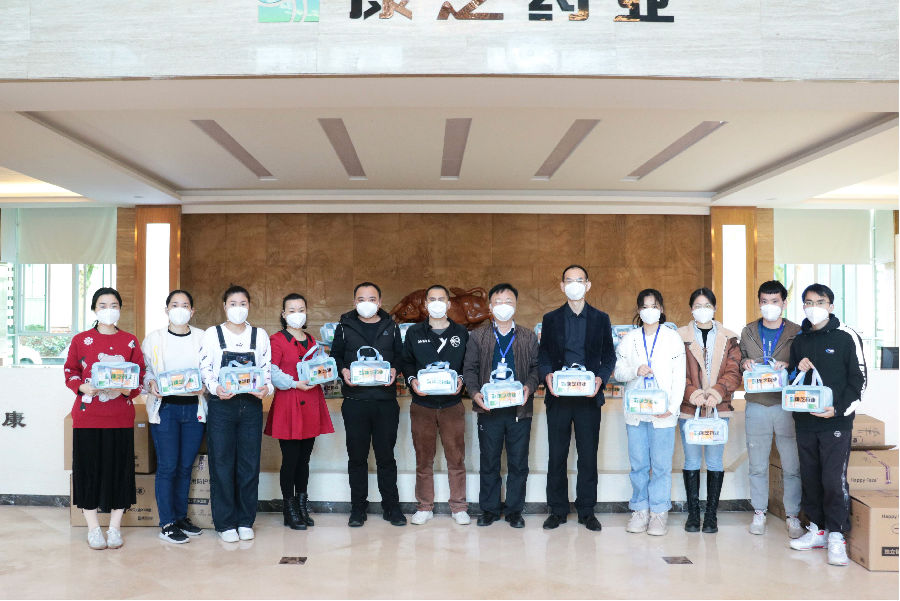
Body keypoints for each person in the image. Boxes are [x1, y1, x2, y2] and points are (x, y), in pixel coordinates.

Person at [787, 284, 865, 567]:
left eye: (820, 302)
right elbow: (791, 379)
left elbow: (860, 381)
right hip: (805, 421)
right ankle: (817, 530)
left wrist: (838, 409)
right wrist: (798, 369)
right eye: (808, 302)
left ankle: (837, 535)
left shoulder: (846, 336)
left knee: (833, 479)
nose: (814, 307)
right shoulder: (800, 340)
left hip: (836, 421)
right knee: (810, 477)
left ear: (831, 306)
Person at [64, 287, 145, 550]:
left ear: (120, 309)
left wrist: (128, 389)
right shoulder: (81, 340)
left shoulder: (130, 341)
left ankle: (114, 528)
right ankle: (93, 528)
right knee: (88, 471)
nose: (108, 310)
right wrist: (82, 386)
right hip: (88, 417)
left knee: (119, 471)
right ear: (94, 309)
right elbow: (70, 371)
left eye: (113, 305)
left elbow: (140, 376)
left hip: (120, 417)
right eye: (102, 305)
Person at [538, 265, 616, 532]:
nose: (574, 285)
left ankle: (587, 510)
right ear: (562, 286)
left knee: (588, 456)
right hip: (559, 397)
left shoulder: (601, 318)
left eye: (579, 280)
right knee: (556, 455)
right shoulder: (550, 319)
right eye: (569, 281)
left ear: (587, 285)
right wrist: (547, 376)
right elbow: (543, 355)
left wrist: (600, 379)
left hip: (588, 397)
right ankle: (557, 510)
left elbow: (609, 357)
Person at [199, 285, 273, 543]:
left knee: (249, 464)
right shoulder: (212, 334)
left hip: (251, 406)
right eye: (233, 303)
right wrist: (215, 388)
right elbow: (205, 369)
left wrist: (266, 388)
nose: (238, 308)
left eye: (243, 303)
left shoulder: (259, 335)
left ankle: (245, 520)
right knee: (221, 463)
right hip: (222, 406)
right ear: (224, 306)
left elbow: (267, 370)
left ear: (249, 306)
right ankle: (225, 523)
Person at [330, 282, 406, 528]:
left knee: (386, 458)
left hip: (385, 402)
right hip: (355, 401)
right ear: (354, 302)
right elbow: (335, 356)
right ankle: (357, 509)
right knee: (357, 458)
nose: (366, 303)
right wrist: (342, 370)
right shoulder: (344, 327)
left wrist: (395, 369)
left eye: (372, 299)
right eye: (361, 299)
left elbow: (400, 356)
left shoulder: (391, 326)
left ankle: (392, 507)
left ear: (380, 302)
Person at [462, 283, 539, 529]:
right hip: (489, 409)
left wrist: (529, 387)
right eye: (498, 302)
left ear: (515, 305)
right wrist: (475, 394)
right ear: (490, 306)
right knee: (489, 461)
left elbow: (536, 368)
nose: (503, 307)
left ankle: (515, 511)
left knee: (518, 463)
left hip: (519, 410)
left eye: (508, 302)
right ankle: (490, 510)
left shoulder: (528, 336)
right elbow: (469, 369)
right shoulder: (478, 336)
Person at [614, 289, 686, 536]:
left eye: (654, 306)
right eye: (644, 306)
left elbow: (679, 377)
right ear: (638, 310)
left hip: (663, 415)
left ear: (661, 309)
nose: (649, 310)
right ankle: (640, 510)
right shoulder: (630, 339)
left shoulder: (672, 338)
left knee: (662, 466)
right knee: (639, 465)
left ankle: (658, 513)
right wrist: (636, 370)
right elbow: (618, 373)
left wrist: (671, 408)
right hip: (636, 413)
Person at [400, 284, 470, 526]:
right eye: (432, 299)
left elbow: (468, 364)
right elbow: (407, 362)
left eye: (441, 299)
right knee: (423, 459)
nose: (437, 303)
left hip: (452, 405)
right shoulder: (414, 332)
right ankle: (424, 506)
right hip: (423, 404)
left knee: (456, 458)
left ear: (449, 304)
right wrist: (412, 381)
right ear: (425, 304)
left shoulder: (461, 332)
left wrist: (462, 380)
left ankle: (459, 507)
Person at [738, 280, 804, 539]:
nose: (769, 306)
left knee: (791, 465)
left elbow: (804, 366)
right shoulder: (749, 331)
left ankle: (792, 515)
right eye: (764, 301)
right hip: (757, 404)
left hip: (786, 405)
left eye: (774, 301)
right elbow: (740, 358)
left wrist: (789, 365)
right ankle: (759, 512)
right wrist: (745, 362)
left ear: (784, 303)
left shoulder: (797, 332)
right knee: (757, 464)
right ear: (759, 303)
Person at [141, 289, 207, 544]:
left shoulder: (202, 338)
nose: (180, 309)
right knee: (168, 466)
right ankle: (167, 523)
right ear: (166, 310)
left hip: (193, 409)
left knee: (185, 466)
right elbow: (145, 370)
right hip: (165, 409)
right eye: (175, 305)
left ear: (192, 311)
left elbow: (209, 370)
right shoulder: (154, 339)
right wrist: (150, 384)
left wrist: (206, 386)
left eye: (185, 305)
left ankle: (180, 518)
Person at [266, 293, 335, 530]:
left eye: (301, 310)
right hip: (289, 402)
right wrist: (294, 383)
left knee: (304, 459)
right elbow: (272, 371)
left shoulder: (312, 340)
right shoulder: (276, 340)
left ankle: (302, 505)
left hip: (312, 402)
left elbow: (320, 367)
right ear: (283, 314)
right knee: (290, 459)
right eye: (292, 310)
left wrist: (324, 372)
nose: (297, 314)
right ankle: (290, 509)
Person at [677, 287, 741, 534]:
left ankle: (711, 515)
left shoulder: (730, 338)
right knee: (692, 460)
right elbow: (675, 372)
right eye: (697, 306)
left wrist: (716, 392)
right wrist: (693, 393)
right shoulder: (679, 336)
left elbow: (734, 371)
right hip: (689, 409)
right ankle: (693, 515)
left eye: (707, 305)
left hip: (719, 409)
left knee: (714, 460)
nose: (702, 310)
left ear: (714, 308)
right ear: (691, 309)